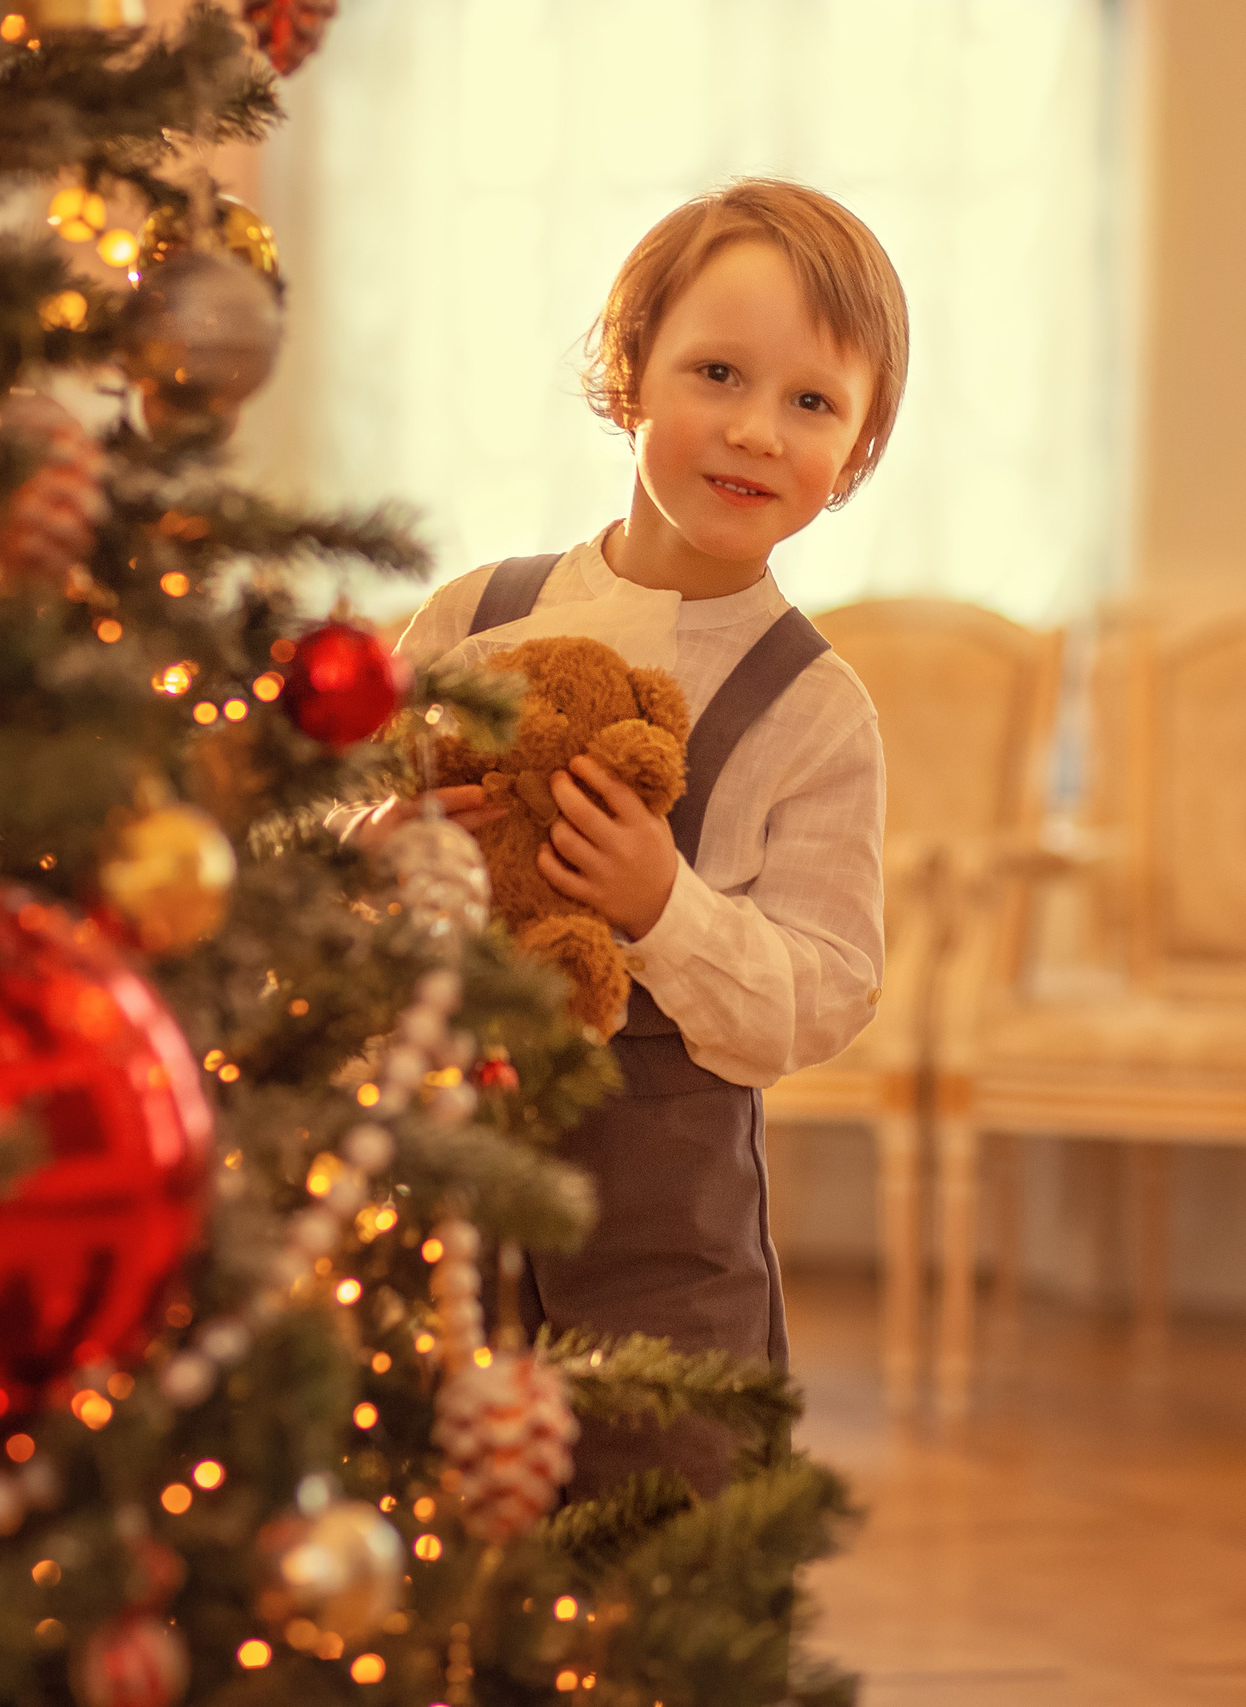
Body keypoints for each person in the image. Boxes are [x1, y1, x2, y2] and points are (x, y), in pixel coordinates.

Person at [360, 177, 908, 1498]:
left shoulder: (817, 711)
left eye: (812, 403)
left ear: (860, 450)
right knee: (419, 1487)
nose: (756, 430)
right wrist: (375, 847)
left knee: (666, 1498)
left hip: (664, 1214)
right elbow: (319, 821)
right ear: (629, 377)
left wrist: (664, 905)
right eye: (717, 372)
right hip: (433, 1176)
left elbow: (824, 990)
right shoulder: (471, 617)